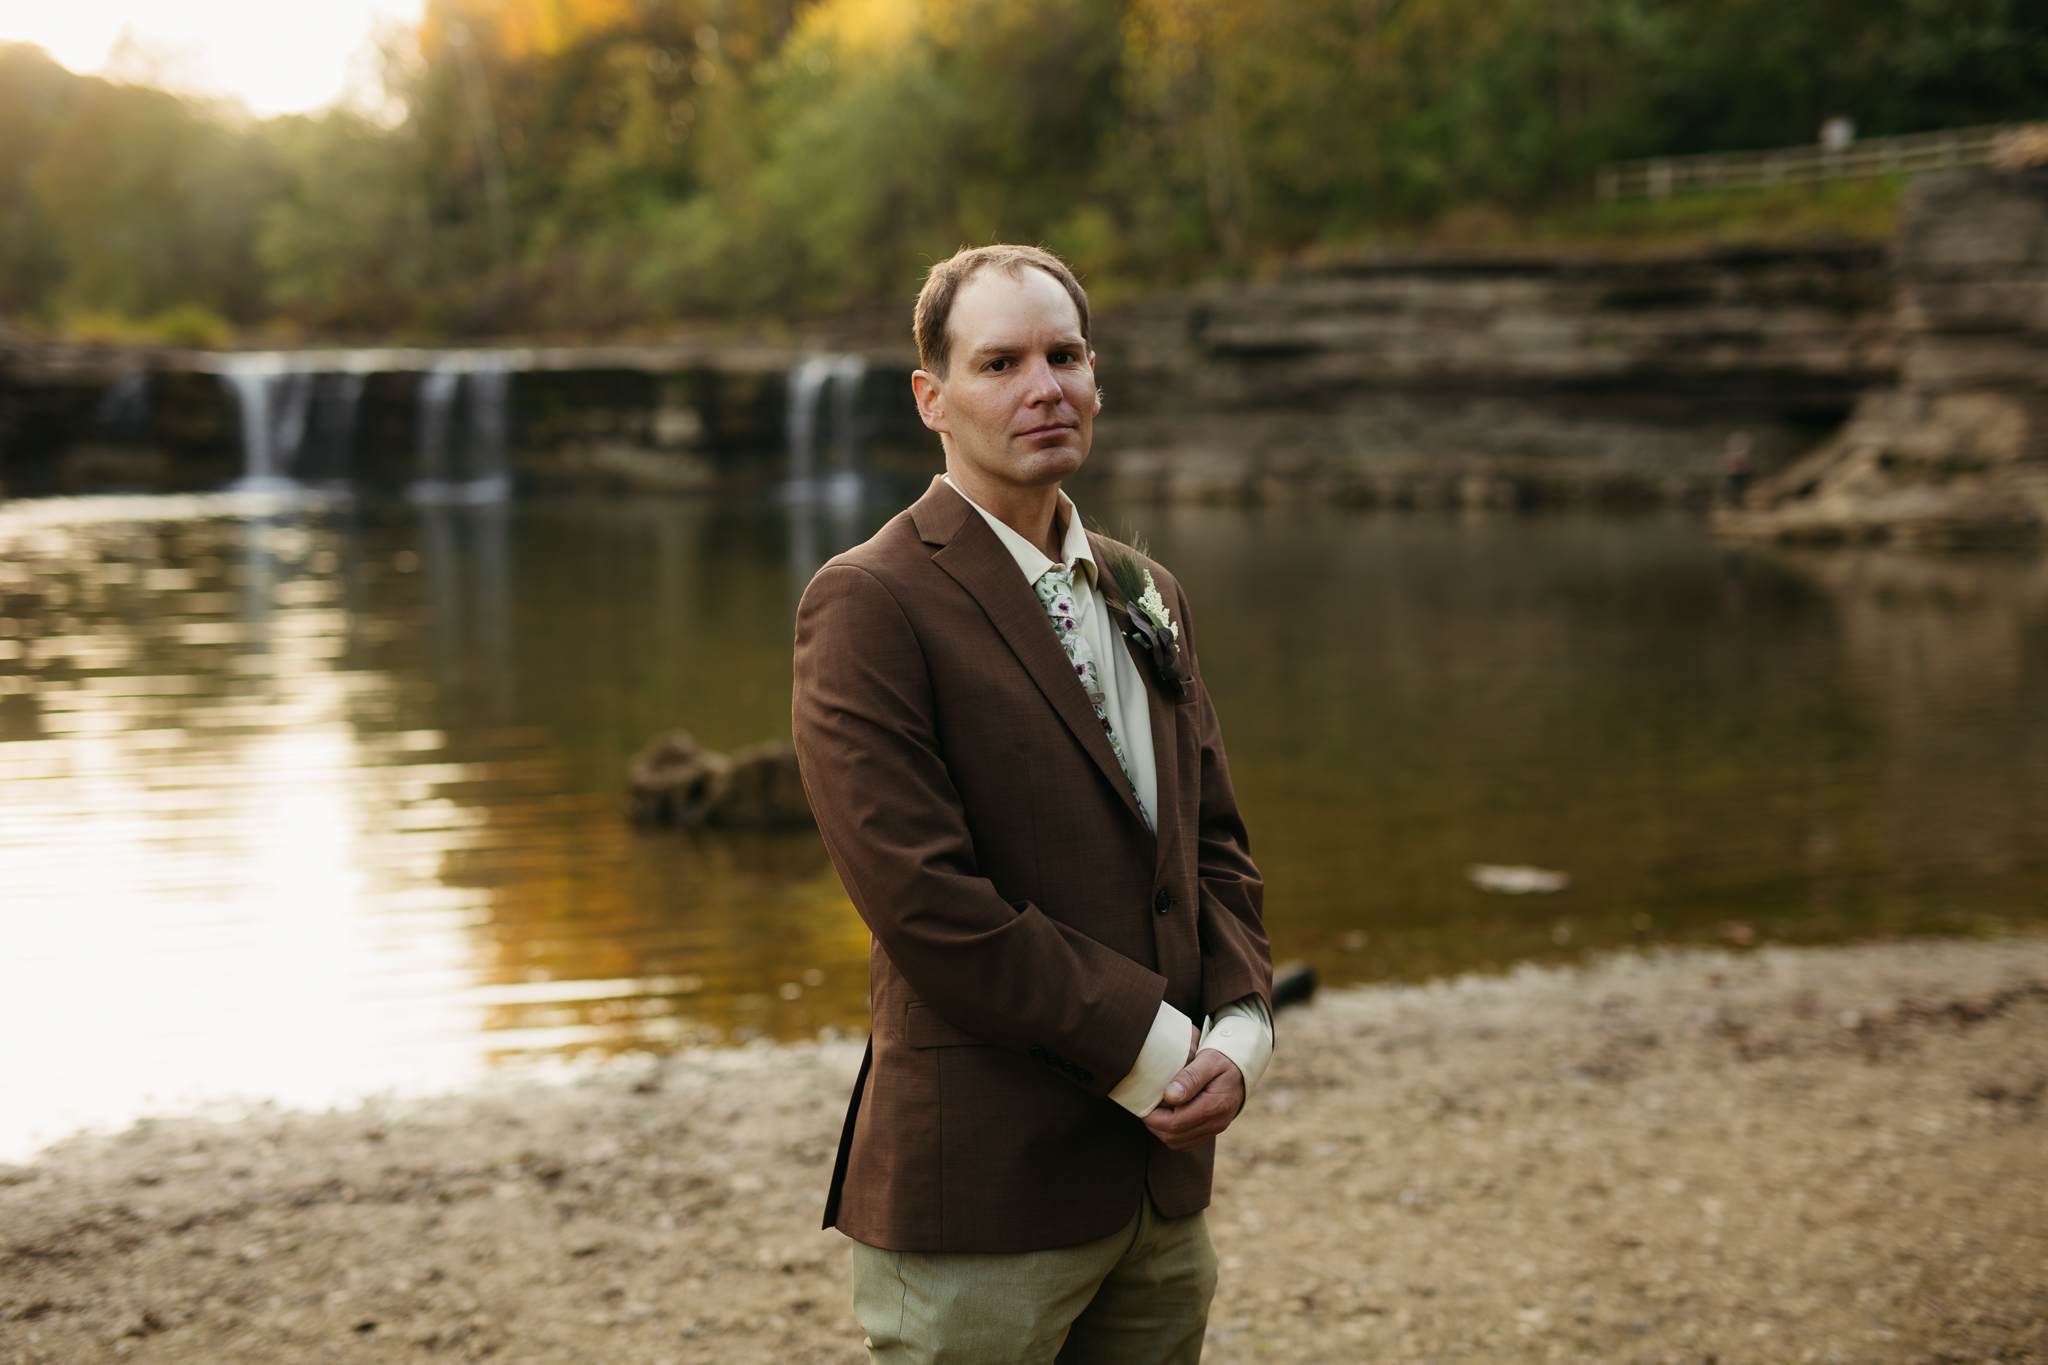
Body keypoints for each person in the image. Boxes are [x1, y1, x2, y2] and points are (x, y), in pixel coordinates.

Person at [791, 243, 1274, 1364]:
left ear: (1096, 377)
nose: (1041, 388)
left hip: (1157, 1198)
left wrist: (1242, 1031)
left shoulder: (1149, 591)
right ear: (933, 398)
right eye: (999, 363)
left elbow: (1213, 846)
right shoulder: (868, 600)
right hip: (983, 1201)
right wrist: (1154, 1050)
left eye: (1063, 356)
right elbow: (923, 902)